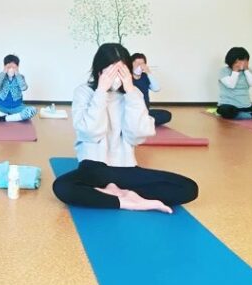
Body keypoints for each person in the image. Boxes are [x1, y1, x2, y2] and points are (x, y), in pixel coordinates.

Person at [52, 43, 199, 212]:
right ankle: (126, 201)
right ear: (99, 71)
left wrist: (130, 91)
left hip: (126, 168)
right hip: (95, 168)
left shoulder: (133, 93)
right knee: (62, 186)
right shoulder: (84, 92)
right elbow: (90, 133)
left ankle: (111, 193)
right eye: (111, 71)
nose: (116, 77)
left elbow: (137, 136)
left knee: (188, 187)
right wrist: (101, 92)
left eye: (121, 71)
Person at [0, 54, 36, 122]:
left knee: (32, 110)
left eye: (13, 67)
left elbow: (24, 88)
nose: (11, 69)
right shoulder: (1, 76)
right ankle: (13, 117)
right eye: (9, 67)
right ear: (4, 66)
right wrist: (4, 72)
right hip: (0, 107)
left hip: (17, 108)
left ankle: (4, 118)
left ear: (17, 67)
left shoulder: (20, 77)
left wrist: (17, 73)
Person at [129, 52, 172, 126]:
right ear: (131, 64)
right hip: (132, 112)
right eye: (137, 64)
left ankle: (141, 122)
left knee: (167, 115)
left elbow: (156, 88)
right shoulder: (127, 77)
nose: (139, 66)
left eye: (142, 64)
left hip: (145, 111)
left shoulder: (145, 76)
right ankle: (142, 122)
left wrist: (148, 72)